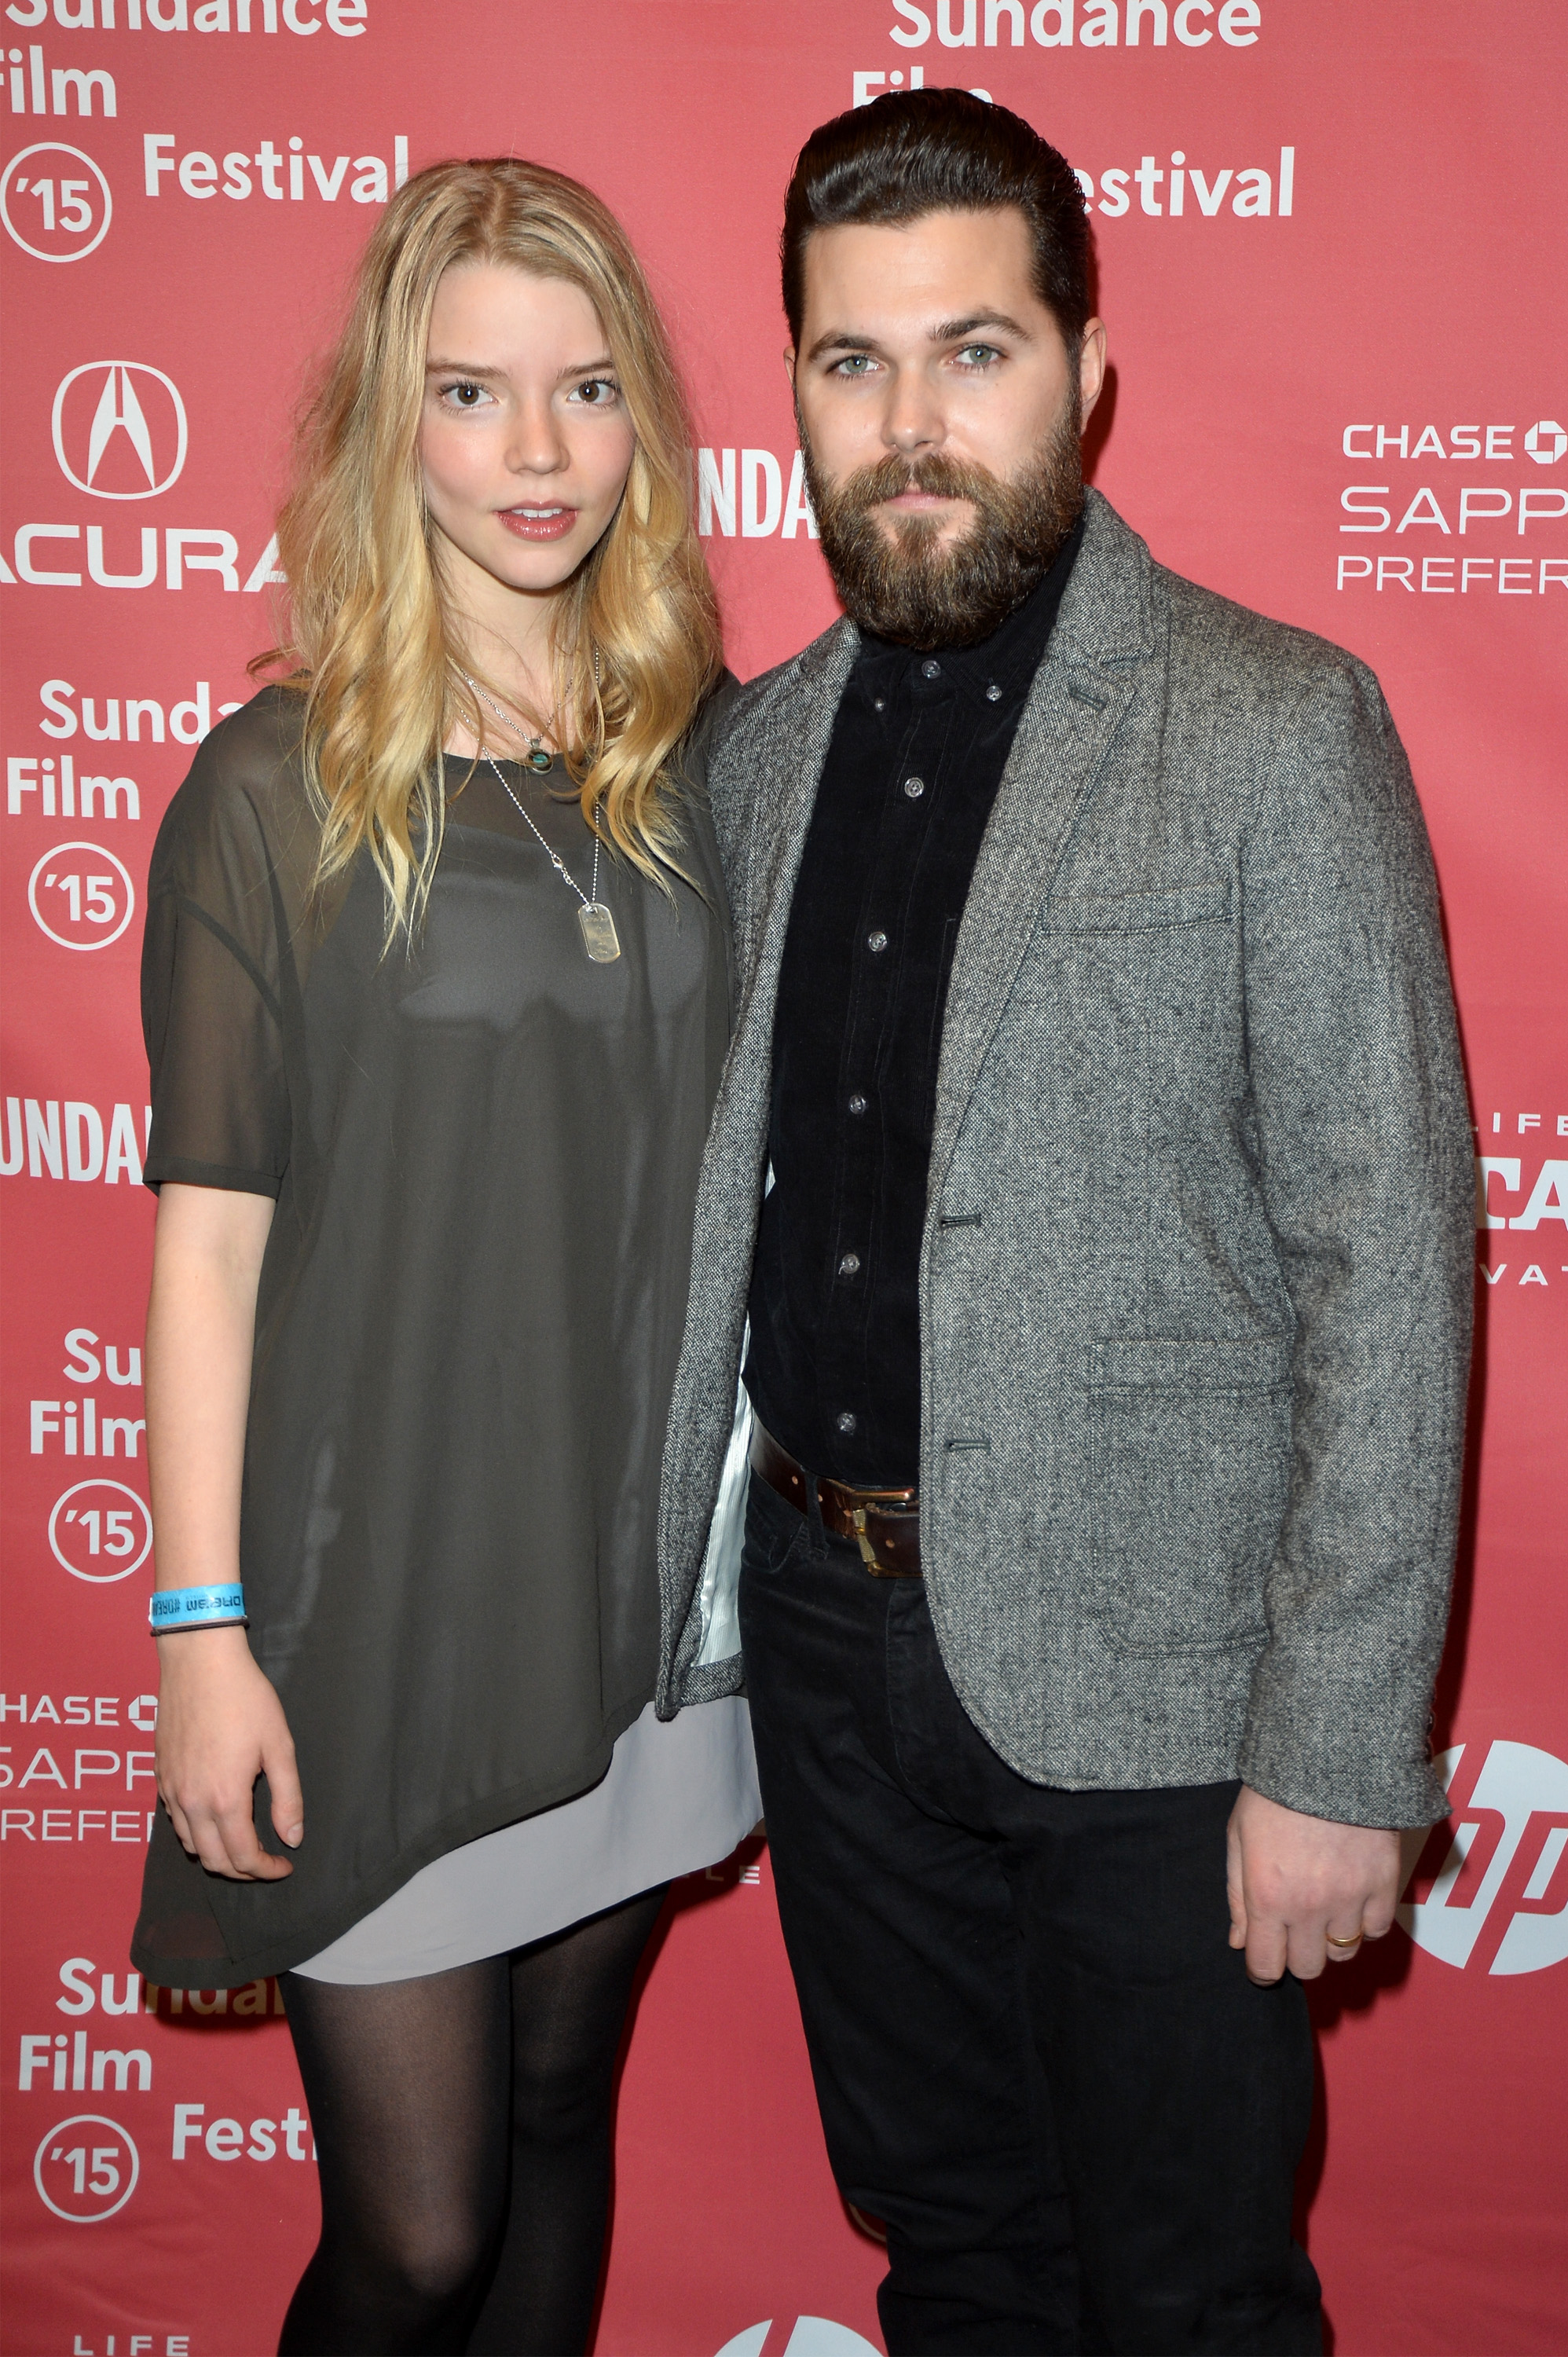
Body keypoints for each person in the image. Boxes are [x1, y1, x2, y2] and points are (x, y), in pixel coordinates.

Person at [655, 91, 1474, 2355]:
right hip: (826, 1653)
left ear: (1087, 372)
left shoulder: (1273, 727)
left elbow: (1383, 1260)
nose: (907, 426)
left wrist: (1334, 1755)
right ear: (796, 388)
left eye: (973, 352)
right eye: (850, 362)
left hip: (1168, 1696)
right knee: (955, 2272)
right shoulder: (750, 756)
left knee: (1191, 2294)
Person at [133, 157, 758, 2357]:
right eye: (473, 392)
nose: (534, 452)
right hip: (376, 1599)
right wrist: (203, 1633)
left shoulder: (700, 766)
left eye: (586, 392)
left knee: (562, 2118)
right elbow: (209, 1250)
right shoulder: (274, 786)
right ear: (388, 421)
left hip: (643, 1583)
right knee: (414, 2235)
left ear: (643, 431)